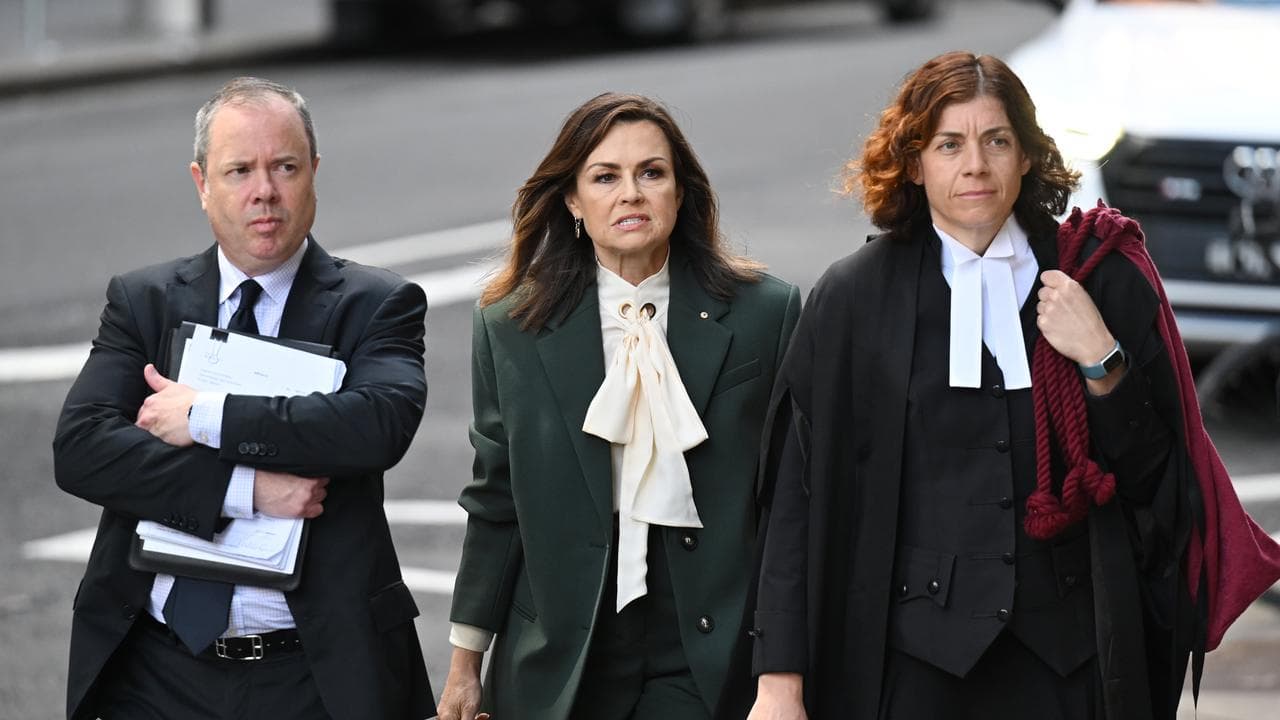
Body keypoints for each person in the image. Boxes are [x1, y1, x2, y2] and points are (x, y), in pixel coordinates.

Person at [746, 51, 1216, 719]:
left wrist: (1102, 361)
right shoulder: (855, 300)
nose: (975, 164)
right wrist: (778, 682)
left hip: (1071, 664)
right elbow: (797, 501)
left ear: (1026, 156)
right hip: (912, 667)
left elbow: (1161, 485)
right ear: (914, 163)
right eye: (949, 144)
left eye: (997, 140)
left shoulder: (1097, 278)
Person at [52, 77, 435, 720]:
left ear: (313, 173)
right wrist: (247, 490)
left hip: (311, 675)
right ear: (203, 184)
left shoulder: (377, 304)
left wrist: (204, 414)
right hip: (153, 670)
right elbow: (81, 449)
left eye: (284, 166)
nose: (265, 191)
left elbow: (377, 424)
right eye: (239, 171)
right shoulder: (144, 302)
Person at [437, 92, 801, 720]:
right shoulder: (511, 325)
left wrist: (783, 676)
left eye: (651, 173)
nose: (630, 193)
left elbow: (794, 506)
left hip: (709, 650)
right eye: (605, 177)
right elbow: (496, 500)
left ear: (679, 192)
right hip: (563, 656)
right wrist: (465, 666)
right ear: (573, 202)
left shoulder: (767, 313)